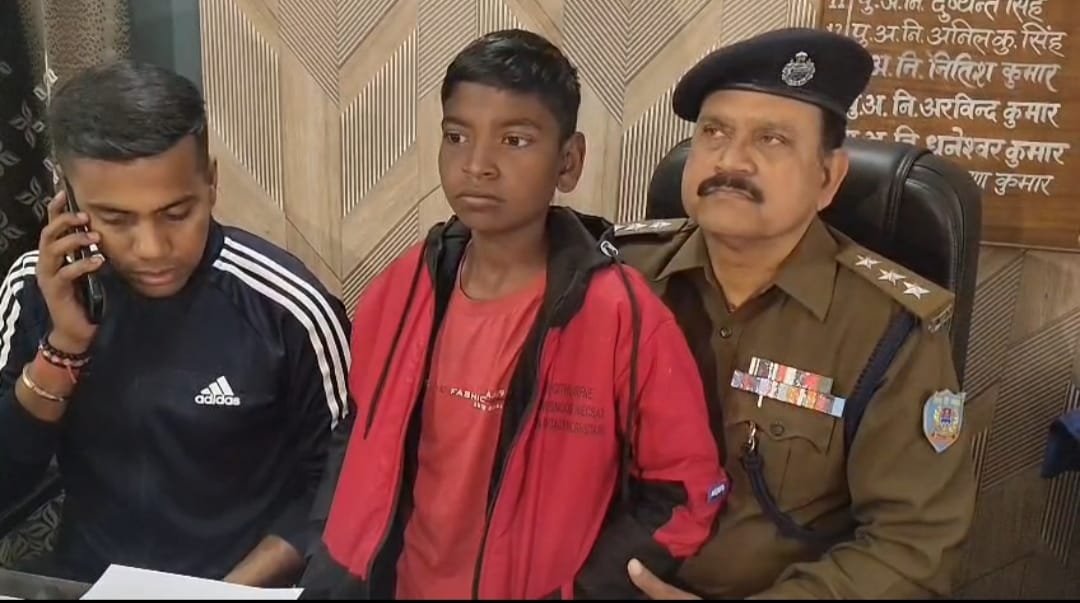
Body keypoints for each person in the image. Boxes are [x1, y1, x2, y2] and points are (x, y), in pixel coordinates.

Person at [300, 29, 728, 600]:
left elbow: (686, 491)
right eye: (457, 136)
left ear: (568, 162)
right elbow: (358, 432)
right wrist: (332, 562)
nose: (477, 165)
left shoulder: (620, 317)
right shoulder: (403, 290)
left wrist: (584, 592)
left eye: (515, 140)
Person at [612, 28, 977, 599]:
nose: (731, 160)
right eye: (714, 132)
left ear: (827, 179)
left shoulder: (888, 329)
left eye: (772, 139)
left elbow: (912, 545)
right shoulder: (617, 278)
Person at [0, 60, 351, 586]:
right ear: (68, 202)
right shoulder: (34, 289)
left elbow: (339, 492)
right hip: (89, 582)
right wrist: (64, 346)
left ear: (210, 183)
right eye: (116, 219)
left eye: (176, 213)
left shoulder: (289, 307)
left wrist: (223, 594)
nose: (152, 248)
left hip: (241, 585)